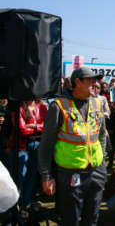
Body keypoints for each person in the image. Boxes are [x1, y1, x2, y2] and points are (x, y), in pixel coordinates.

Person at [38, 67, 107, 226]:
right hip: (70, 173)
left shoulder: (97, 103)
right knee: (71, 219)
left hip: (96, 171)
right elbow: (46, 145)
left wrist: (101, 160)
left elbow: (102, 135)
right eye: (90, 80)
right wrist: (46, 176)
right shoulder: (59, 106)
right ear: (77, 82)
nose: (95, 84)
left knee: (92, 218)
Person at [7, 100, 47, 214]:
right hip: (21, 146)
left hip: (37, 144)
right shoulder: (19, 107)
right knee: (20, 176)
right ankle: (15, 206)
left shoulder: (42, 107)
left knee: (32, 175)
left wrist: (34, 126)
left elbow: (48, 125)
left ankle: (26, 204)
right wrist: (39, 127)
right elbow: (22, 129)